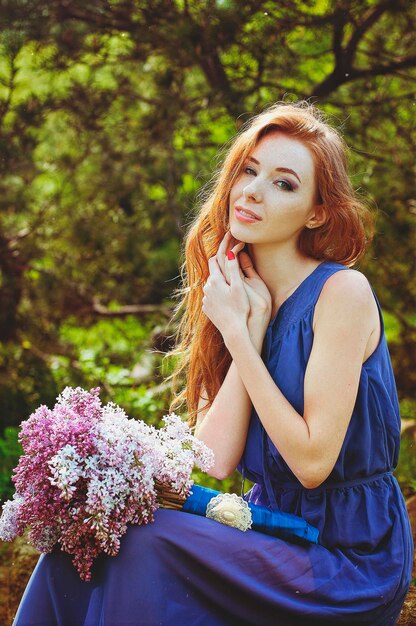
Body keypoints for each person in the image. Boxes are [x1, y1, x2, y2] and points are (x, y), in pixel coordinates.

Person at [12, 101, 413, 626]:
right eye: (250, 171)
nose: (252, 190)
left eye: (283, 183)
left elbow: (313, 466)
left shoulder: (342, 293)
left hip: (345, 556)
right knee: (92, 527)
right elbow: (218, 458)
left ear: (317, 211)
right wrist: (246, 324)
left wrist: (243, 343)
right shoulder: (235, 293)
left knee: (141, 544)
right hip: (269, 529)